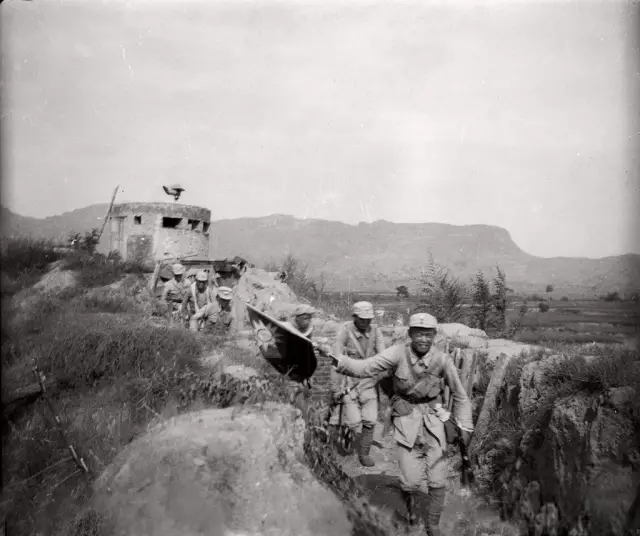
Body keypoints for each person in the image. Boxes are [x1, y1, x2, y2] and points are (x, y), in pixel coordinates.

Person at [332, 312, 474, 536]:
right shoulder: (397, 353)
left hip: (434, 421)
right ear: (410, 334)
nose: (423, 339)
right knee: (410, 482)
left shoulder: (442, 360)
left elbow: (460, 396)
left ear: (434, 336)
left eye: (428, 335)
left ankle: (433, 525)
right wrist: (341, 362)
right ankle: (412, 516)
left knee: (437, 479)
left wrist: (465, 426)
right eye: (419, 334)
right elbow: (367, 367)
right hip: (406, 422)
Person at [330, 301, 386, 467]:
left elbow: (383, 356)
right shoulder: (345, 331)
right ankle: (345, 442)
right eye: (362, 319)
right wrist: (336, 387)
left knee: (370, 419)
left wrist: (378, 375)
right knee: (353, 421)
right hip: (349, 382)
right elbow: (336, 358)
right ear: (354, 317)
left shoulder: (375, 331)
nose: (366, 322)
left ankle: (364, 453)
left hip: (369, 381)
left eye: (369, 319)